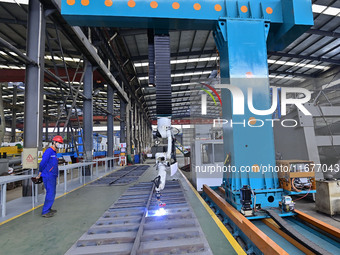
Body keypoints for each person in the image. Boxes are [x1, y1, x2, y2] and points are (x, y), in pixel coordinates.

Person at [36, 135, 63, 218]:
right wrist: (40, 172)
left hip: (52, 175)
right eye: (58, 142)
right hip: (48, 175)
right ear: (54, 142)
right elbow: (42, 163)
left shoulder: (54, 152)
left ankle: (49, 208)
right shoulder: (49, 151)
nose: (59, 144)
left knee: (52, 193)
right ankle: (45, 211)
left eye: (60, 143)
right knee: (50, 193)